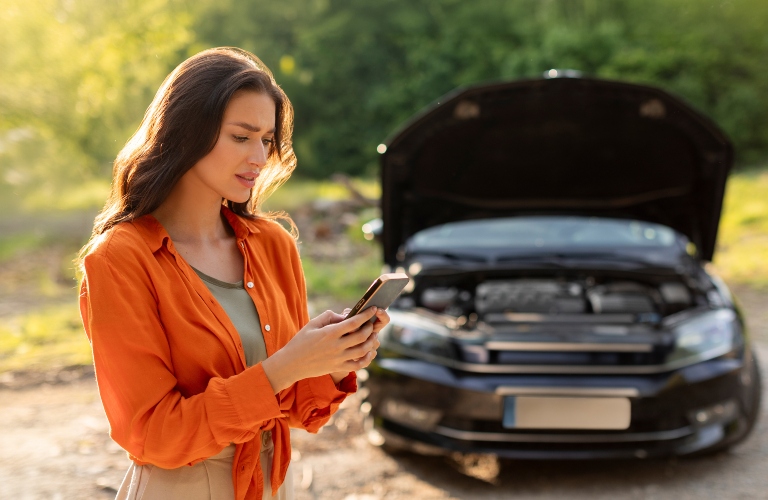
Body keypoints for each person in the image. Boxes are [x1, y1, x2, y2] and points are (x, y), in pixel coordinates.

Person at [77, 47, 388, 500]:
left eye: (266, 139)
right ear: (186, 133)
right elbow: (153, 434)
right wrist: (285, 367)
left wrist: (332, 359)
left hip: (272, 486)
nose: (260, 157)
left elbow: (298, 410)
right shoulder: (120, 259)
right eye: (241, 137)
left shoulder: (272, 244)